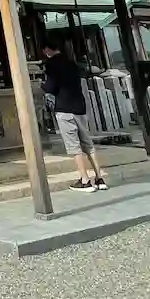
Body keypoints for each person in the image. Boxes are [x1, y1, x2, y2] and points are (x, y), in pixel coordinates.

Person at [39, 42, 107, 192]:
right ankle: (99, 178)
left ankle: (85, 180)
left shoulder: (52, 64)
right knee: (88, 144)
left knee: (74, 146)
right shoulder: (72, 63)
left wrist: (41, 85)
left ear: (47, 49)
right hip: (79, 107)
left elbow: (51, 87)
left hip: (65, 108)